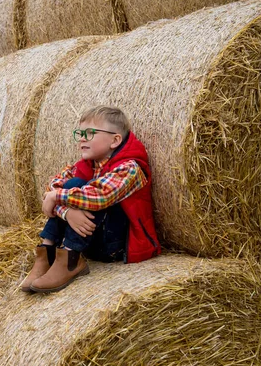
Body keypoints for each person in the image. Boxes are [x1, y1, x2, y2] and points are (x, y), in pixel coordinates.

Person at [21, 105, 160, 293]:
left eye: (90, 133)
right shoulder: (85, 165)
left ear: (115, 140)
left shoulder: (129, 168)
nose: (82, 139)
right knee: (73, 185)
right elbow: (50, 191)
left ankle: (70, 259)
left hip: (115, 246)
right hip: (90, 240)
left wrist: (57, 198)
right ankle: (48, 254)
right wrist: (68, 212)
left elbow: (100, 197)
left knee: (80, 188)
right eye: (80, 134)